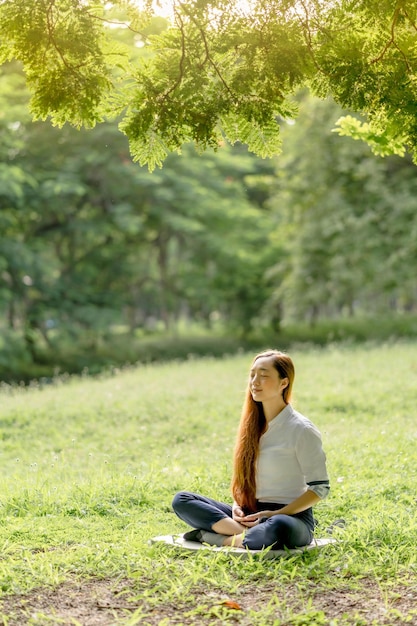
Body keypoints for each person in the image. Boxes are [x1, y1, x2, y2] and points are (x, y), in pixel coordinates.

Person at [172, 349, 330, 550]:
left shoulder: (301, 429)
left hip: (289, 517)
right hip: (249, 514)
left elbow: (320, 488)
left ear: (284, 383)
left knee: (278, 528)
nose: (255, 382)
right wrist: (237, 506)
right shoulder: (251, 426)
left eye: (264, 376)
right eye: (252, 375)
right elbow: (246, 482)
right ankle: (244, 534)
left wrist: (276, 514)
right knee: (182, 500)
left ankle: (218, 537)